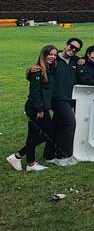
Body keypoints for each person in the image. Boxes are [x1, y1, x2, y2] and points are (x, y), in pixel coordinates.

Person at [8, 46, 58, 172]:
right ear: (44, 55)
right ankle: (18, 155)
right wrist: (40, 109)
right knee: (49, 133)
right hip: (36, 107)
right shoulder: (37, 70)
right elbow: (34, 92)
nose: (52, 57)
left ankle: (30, 163)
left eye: (54, 55)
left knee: (33, 135)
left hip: (42, 106)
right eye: (50, 54)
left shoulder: (49, 69)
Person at [44, 38, 81, 166]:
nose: (73, 50)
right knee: (69, 123)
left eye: (77, 49)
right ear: (66, 45)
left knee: (57, 126)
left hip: (69, 97)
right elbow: (41, 66)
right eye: (71, 46)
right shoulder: (54, 59)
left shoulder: (76, 61)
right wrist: (30, 71)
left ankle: (49, 155)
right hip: (57, 98)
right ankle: (63, 157)